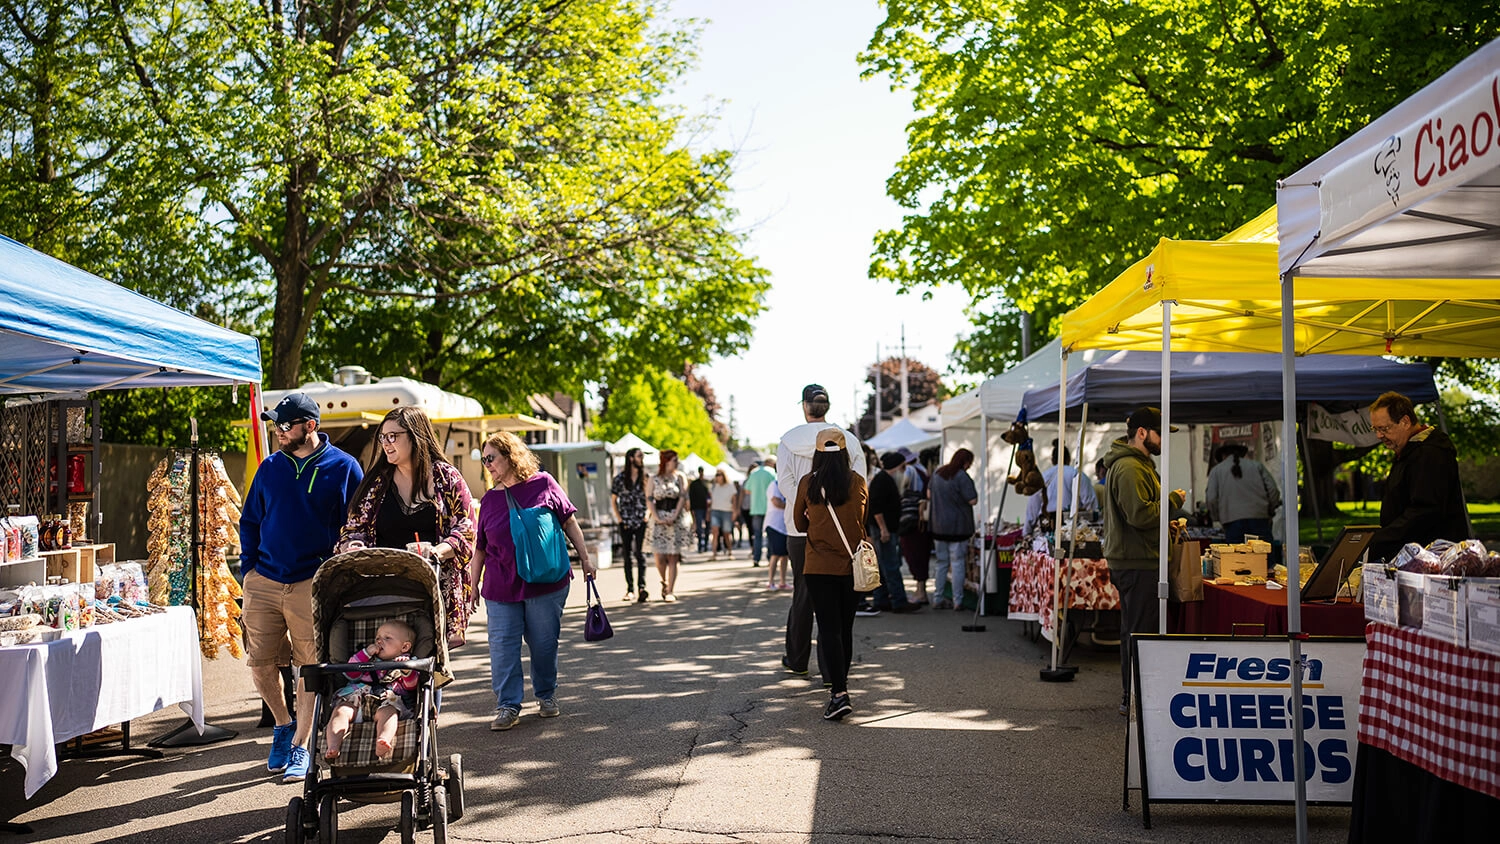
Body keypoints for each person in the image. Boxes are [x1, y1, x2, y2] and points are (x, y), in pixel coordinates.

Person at [239, 392, 364, 783]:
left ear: (310, 426)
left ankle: (300, 745)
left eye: (284, 425)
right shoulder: (270, 467)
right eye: (275, 425)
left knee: (308, 667)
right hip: (264, 579)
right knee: (260, 664)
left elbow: (356, 526)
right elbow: (250, 520)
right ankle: (281, 724)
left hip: (313, 580)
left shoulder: (345, 468)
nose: (277, 432)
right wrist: (249, 570)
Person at [470, 432, 597, 730]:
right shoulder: (489, 500)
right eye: (483, 459)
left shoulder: (544, 484)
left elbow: (569, 522)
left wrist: (586, 558)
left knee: (543, 644)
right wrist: (472, 585)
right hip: (501, 587)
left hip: (545, 583)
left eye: (491, 458)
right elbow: (480, 548)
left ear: (510, 456)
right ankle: (507, 705)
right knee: (503, 647)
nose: (486, 464)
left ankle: (546, 695)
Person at [335, 407, 477, 649]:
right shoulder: (377, 484)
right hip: (384, 588)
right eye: (383, 437)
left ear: (415, 436)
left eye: (394, 436)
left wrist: (437, 551)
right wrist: (353, 544)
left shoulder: (446, 478)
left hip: (432, 586)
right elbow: (352, 529)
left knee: (429, 658)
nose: (386, 443)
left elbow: (466, 529)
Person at [777, 384, 867, 678]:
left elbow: (785, 481)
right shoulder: (849, 440)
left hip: (800, 528)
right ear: (826, 406)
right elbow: (861, 482)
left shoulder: (788, 441)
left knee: (803, 597)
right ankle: (833, 672)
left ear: (805, 406)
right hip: (841, 530)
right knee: (838, 605)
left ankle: (797, 658)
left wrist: (806, 507)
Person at [1102, 406, 1184, 716]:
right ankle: (1134, 699)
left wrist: (1167, 523)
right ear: (1142, 433)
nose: (1164, 441)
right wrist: (1173, 501)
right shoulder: (1131, 468)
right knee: (1139, 634)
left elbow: (1142, 513)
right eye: (1160, 433)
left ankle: (1135, 697)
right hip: (1138, 563)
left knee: (1136, 632)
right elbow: (1139, 515)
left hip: (1139, 559)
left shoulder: (1138, 465)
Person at [791, 427, 868, 722]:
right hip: (851, 566)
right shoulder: (858, 482)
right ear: (846, 452)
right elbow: (861, 523)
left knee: (828, 629)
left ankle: (839, 693)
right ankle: (840, 689)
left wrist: (815, 517)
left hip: (818, 566)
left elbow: (799, 524)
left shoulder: (808, 484)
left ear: (818, 453)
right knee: (845, 628)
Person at [1367, 391, 1469, 562]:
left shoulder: (1430, 454)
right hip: (1415, 554)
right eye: (1375, 429)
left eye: (1384, 428)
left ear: (1405, 422)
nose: (1379, 435)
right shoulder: (1409, 450)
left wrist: (1381, 539)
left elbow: (1426, 510)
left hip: (1432, 557)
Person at [323, 620, 419, 763]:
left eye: (387, 638)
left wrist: (406, 668)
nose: (380, 641)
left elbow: (411, 685)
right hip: (357, 701)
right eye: (377, 638)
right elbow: (350, 674)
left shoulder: (407, 662)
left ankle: (383, 739)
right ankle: (334, 745)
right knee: (340, 711)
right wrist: (365, 653)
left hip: (387, 702)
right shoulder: (365, 658)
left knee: (389, 714)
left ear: (404, 646)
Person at [927, 448, 978, 610]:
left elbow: (928, 494)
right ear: (965, 462)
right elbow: (973, 500)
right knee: (957, 564)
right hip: (958, 527)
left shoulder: (937, 473)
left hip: (938, 526)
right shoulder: (962, 476)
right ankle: (958, 601)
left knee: (941, 563)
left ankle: (937, 597)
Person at [869, 451, 920, 612]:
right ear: (897, 467)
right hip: (884, 530)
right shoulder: (883, 480)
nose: (904, 470)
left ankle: (882, 599)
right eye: (902, 467)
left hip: (885, 529)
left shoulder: (884, 479)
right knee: (890, 565)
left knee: (884, 566)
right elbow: (876, 508)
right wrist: (883, 529)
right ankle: (898, 601)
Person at [1204, 443, 1281, 543]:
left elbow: (1211, 499)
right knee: (1263, 556)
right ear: (1241, 454)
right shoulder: (1257, 466)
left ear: (1223, 455)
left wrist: (1217, 518)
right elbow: (1273, 490)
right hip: (1259, 519)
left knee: (1237, 557)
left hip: (1232, 523)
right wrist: (1269, 510)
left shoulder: (1216, 471)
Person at [1024, 441, 1100, 536]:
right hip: (1074, 532)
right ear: (1068, 459)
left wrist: (1027, 533)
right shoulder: (1077, 475)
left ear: (1052, 460)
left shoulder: (1042, 477)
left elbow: (1032, 508)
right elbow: (1091, 504)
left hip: (1048, 530)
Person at [646, 450, 693, 601]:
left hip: (675, 517)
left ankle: (670, 590)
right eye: (674, 460)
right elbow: (649, 498)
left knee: (673, 556)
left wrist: (674, 515)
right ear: (666, 461)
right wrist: (656, 516)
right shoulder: (653, 478)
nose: (676, 462)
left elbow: (682, 497)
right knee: (659, 557)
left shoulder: (680, 477)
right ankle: (664, 581)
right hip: (658, 517)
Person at [611, 447, 650, 603]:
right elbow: (613, 500)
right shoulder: (620, 479)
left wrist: (648, 514)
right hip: (625, 521)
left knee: (641, 554)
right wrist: (619, 518)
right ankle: (630, 589)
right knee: (627, 555)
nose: (642, 458)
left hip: (641, 520)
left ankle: (642, 587)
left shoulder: (646, 477)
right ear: (631, 458)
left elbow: (650, 498)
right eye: (639, 456)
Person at [899, 447, 934, 604]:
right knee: (922, 554)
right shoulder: (922, 470)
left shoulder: (910, 471)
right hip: (922, 519)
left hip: (911, 519)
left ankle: (920, 593)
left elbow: (902, 488)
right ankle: (922, 591)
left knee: (913, 554)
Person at [745, 457, 776, 567]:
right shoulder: (772, 472)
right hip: (770, 509)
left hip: (756, 508)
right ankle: (770, 559)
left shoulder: (753, 473)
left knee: (757, 535)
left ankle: (756, 558)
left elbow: (747, 490)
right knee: (769, 535)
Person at [764, 477, 791, 590]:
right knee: (775, 554)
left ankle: (782, 582)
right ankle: (770, 581)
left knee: (784, 555)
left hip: (784, 526)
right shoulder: (774, 484)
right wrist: (791, 506)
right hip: (774, 525)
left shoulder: (786, 484)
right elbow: (776, 502)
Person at [708, 468, 736, 560]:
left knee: (726, 533)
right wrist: (708, 511)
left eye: (719, 475)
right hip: (715, 510)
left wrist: (734, 511)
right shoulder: (714, 486)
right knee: (715, 532)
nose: (718, 477)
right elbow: (711, 500)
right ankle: (714, 553)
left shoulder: (730, 486)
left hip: (727, 511)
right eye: (716, 475)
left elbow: (734, 499)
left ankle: (730, 551)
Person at [688, 467, 711, 553]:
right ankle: (700, 545)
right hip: (698, 508)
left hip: (707, 508)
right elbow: (691, 496)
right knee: (699, 527)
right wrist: (692, 509)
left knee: (707, 527)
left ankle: (705, 544)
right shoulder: (694, 484)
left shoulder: (707, 483)